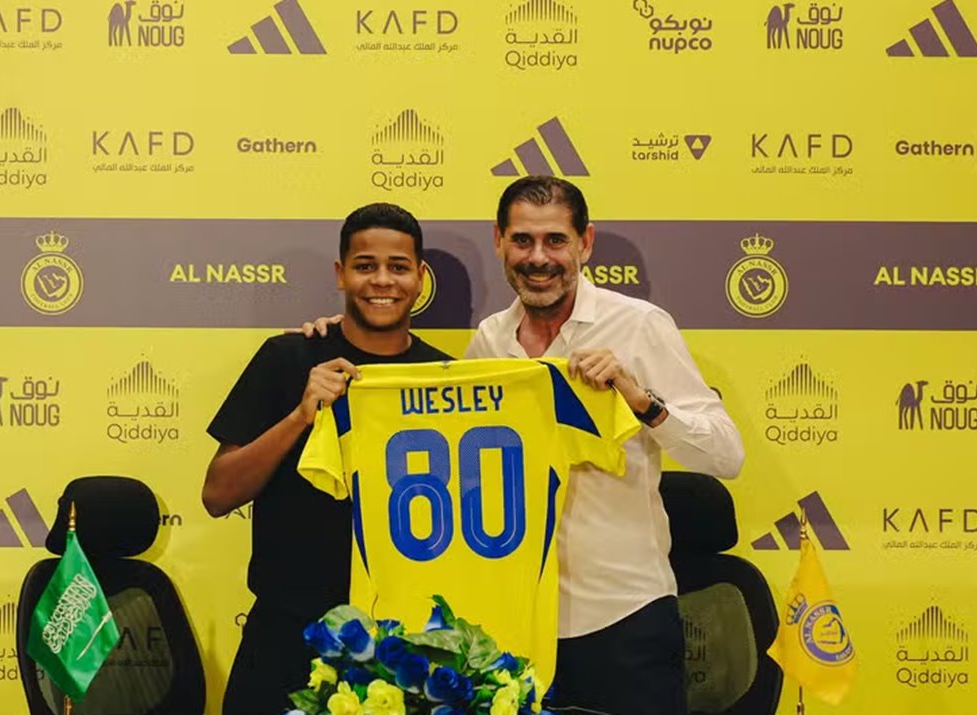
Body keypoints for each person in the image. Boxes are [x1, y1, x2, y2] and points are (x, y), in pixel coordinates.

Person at [301, 176, 744, 715]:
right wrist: (343, 332)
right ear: (499, 242)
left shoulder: (639, 326)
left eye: (555, 240)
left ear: (585, 242)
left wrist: (639, 399)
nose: (538, 257)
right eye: (522, 241)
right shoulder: (490, 341)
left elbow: (725, 455)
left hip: (620, 617)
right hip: (510, 630)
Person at [203, 203, 452, 715]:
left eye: (398, 267)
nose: (381, 281)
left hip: (401, 646)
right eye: (364, 266)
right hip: (286, 635)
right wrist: (300, 416)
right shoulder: (287, 358)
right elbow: (218, 494)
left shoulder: (444, 377)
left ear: (420, 277)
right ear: (341, 274)